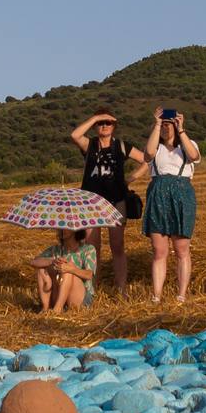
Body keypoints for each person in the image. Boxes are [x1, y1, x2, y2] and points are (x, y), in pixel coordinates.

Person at [70, 109, 145, 295]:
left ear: (114, 125)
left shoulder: (121, 146)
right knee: (92, 247)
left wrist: (130, 178)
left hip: (116, 200)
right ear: (95, 126)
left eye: (108, 123)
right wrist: (95, 117)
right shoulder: (90, 145)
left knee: (117, 245)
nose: (104, 126)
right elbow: (75, 135)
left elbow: (147, 160)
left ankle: (121, 289)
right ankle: (91, 289)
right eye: (100, 123)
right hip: (91, 202)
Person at [141, 108, 200, 303]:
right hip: (158, 194)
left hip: (182, 194)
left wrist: (181, 130)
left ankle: (181, 295)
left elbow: (193, 156)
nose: (167, 128)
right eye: (164, 124)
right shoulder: (155, 146)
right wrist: (157, 124)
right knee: (159, 250)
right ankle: (156, 295)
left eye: (169, 124)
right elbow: (148, 154)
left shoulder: (188, 144)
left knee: (182, 249)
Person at [27, 228, 95, 313]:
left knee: (66, 272)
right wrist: (52, 261)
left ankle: (57, 309)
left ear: (75, 230)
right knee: (41, 270)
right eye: (60, 227)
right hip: (57, 294)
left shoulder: (88, 249)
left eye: (65, 227)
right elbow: (34, 262)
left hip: (80, 299)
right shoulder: (55, 249)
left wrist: (71, 269)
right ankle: (45, 308)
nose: (61, 230)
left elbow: (89, 274)